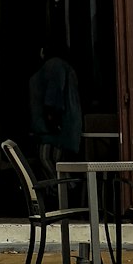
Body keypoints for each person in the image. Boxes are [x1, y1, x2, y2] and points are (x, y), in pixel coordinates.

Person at [29, 39, 82, 171]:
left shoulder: (54, 65)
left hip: (53, 132)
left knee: (48, 160)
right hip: (57, 129)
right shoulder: (62, 67)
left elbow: (53, 97)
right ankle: (63, 189)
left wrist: (52, 121)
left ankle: (66, 190)